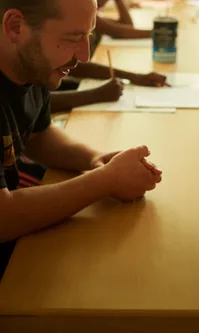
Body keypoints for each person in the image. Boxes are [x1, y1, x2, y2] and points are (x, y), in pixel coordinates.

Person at [0, 0, 162, 278]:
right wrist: (106, 180)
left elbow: (39, 135)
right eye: (74, 37)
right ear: (16, 27)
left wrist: (92, 158)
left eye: (88, 35)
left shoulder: (33, 67)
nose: (85, 55)